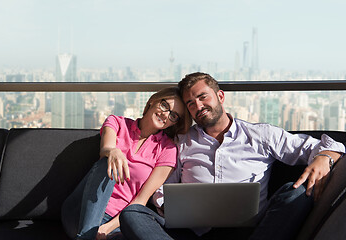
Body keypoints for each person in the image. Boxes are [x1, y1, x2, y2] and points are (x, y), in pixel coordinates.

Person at [118, 72, 346, 240]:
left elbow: (328, 145)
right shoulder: (181, 142)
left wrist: (325, 157)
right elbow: (161, 187)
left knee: (295, 193)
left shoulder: (260, 134)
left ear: (220, 96)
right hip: (191, 234)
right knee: (133, 213)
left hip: (251, 233)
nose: (198, 105)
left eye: (202, 97)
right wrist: (169, 206)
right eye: (190, 103)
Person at [61, 87, 192, 240]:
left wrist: (105, 229)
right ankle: (87, 234)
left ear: (174, 123)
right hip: (80, 210)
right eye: (164, 105)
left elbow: (140, 202)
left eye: (174, 115)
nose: (166, 114)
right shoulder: (117, 122)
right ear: (152, 101)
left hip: (113, 223)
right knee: (107, 163)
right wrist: (112, 151)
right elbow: (106, 148)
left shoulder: (167, 150)